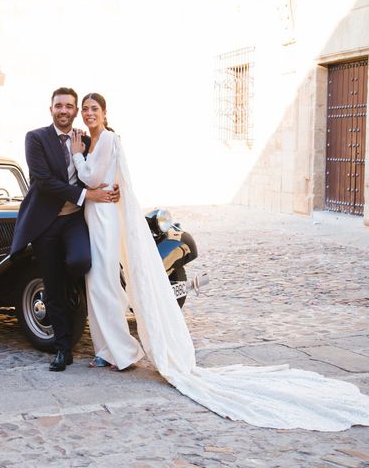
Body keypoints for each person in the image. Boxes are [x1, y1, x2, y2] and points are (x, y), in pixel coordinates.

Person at [70, 92, 369, 431]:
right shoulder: (92, 141)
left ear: (105, 112)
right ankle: (107, 348)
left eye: (94, 109)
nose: (88, 113)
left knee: (104, 283)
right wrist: (82, 156)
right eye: (85, 109)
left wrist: (79, 157)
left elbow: (93, 179)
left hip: (105, 217)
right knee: (99, 284)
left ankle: (119, 352)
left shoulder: (106, 139)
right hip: (95, 215)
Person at [10, 87, 117, 372]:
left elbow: (103, 163)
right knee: (52, 286)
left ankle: (74, 295)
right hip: (45, 223)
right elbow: (43, 181)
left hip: (73, 221)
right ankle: (62, 349)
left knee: (81, 261)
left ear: (74, 111)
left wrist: (114, 188)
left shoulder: (84, 138)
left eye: (70, 106)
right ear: (51, 109)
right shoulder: (35, 138)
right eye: (59, 105)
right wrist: (85, 196)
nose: (65, 111)